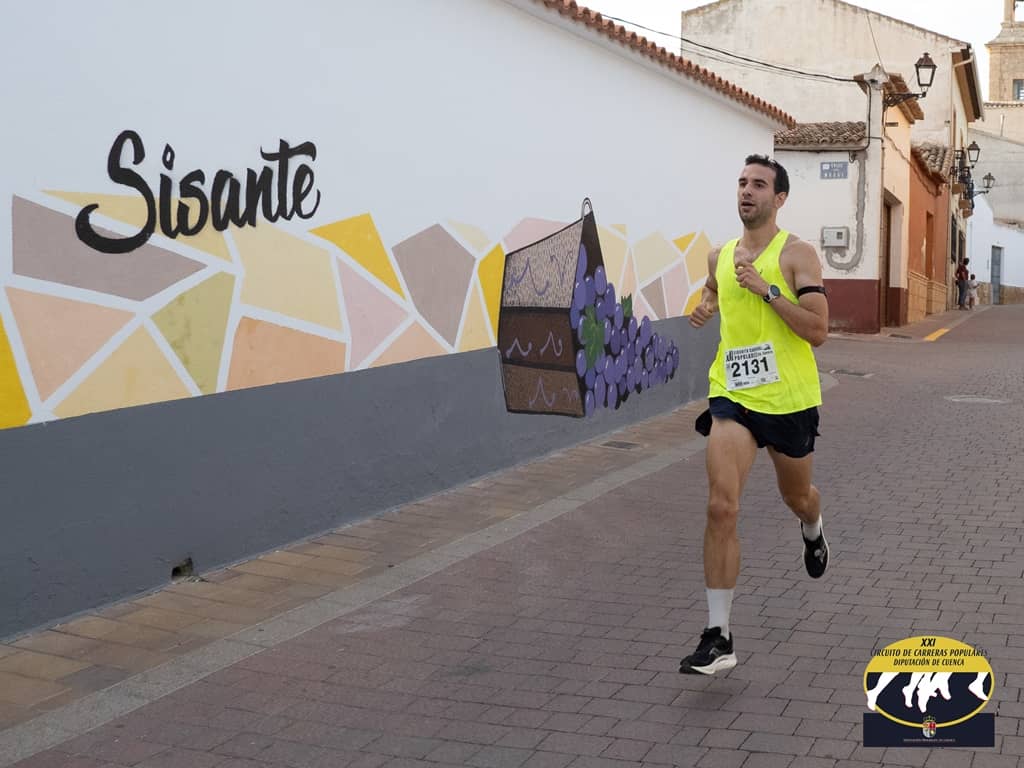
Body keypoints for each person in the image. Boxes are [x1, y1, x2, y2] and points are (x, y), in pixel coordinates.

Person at [681, 154, 829, 675]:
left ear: (779, 198)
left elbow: (817, 330)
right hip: (733, 394)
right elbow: (715, 287)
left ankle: (812, 526)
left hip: (788, 400)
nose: (747, 191)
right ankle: (718, 636)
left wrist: (767, 291)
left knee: (797, 497)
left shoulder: (797, 255)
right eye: (742, 182)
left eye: (759, 184)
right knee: (721, 507)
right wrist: (707, 305)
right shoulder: (719, 255)